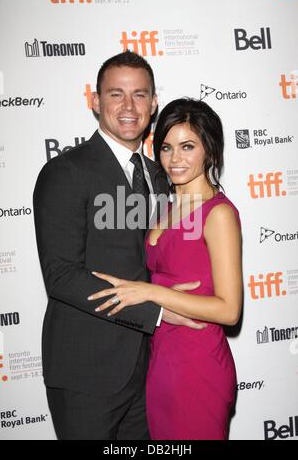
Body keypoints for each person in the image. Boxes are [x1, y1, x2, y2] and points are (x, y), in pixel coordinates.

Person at [33, 52, 202, 440]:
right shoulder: (65, 173)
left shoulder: (162, 176)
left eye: (140, 95)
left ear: (154, 103)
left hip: (152, 367)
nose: (129, 106)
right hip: (86, 371)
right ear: (95, 101)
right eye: (116, 94)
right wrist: (158, 311)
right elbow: (61, 275)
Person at [89, 98, 243, 440]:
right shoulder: (165, 207)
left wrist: (149, 292)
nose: (175, 159)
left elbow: (230, 310)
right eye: (167, 148)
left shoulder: (218, 214)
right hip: (160, 359)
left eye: (188, 147)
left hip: (197, 362)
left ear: (210, 151)